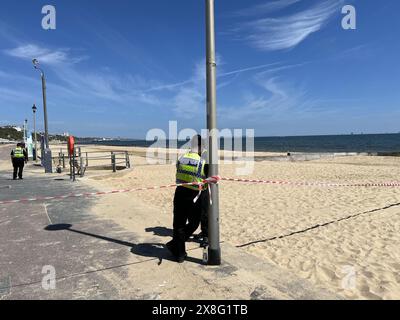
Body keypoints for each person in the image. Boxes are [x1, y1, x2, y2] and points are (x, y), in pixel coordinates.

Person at [166, 135, 209, 263]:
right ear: (201, 147)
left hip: (180, 192)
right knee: (194, 223)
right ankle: (176, 245)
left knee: (178, 224)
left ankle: (179, 254)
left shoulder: (182, 157)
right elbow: (208, 177)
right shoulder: (203, 161)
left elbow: (178, 170)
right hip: (195, 195)